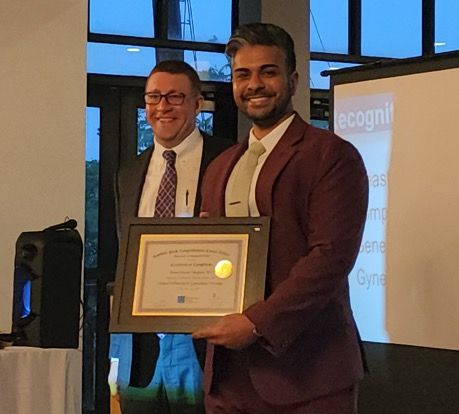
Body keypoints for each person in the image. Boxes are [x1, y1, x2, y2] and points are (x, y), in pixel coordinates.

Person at [192, 23, 369, 414]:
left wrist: (256, 324)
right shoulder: (220, 166)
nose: (255, 84)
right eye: (243, 74)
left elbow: (330, 258)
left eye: (267, 72)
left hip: (309, 375)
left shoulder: (332, 156)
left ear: (292, 80)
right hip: (227, 378)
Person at [109, 60, 234, 414]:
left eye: (175, 97)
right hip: (139, 344)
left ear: (197, 104)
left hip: (203, 339)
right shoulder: (129, 172)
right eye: (153, 97)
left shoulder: (228, 159)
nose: (162, 106)